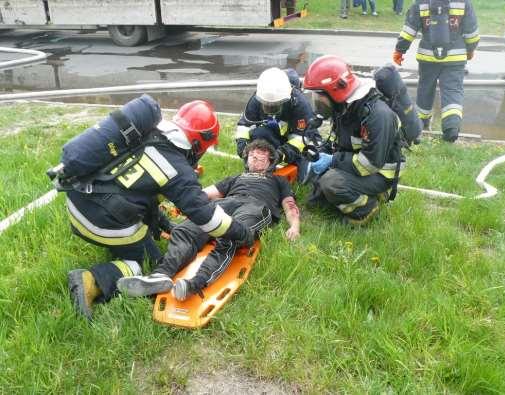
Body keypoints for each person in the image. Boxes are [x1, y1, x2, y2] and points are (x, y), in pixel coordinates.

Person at [66, 99, 253, 320]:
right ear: (197, 144)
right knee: (150, 265)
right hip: (99, 221)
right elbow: (207, 216)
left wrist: (164, 225)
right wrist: (242, 233)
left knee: (141, 235)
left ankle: (122, 246)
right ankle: (91, 281)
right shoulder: (176, 167)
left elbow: (142, 192)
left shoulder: (146, 135)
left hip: (79, 201)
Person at [117, 139, 301, 301]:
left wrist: (295, 226)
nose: (254, 159)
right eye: (252, 155)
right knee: (184, 231)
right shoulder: (236, 177)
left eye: (260, 157)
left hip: (255, 206)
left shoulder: (278, 181)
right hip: (227, 202)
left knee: (229, 237)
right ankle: (160, 275)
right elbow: (204, 194)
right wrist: (178, 203)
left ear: (270, 162)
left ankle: (194, 284)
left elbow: (289, 205)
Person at [302, 55, 405, 225]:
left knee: (331, 183)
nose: (317, 103)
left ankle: (367, 209)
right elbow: (341, 142)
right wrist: (321, 154)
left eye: (319, 97)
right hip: (359, 164)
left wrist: (333, 161)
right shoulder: (344, 106)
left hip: (380, 172)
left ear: (335, 91)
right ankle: (358, 193)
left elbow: (369, 164)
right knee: (316, 199)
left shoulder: (378, 115)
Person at [393, 0, 480, 142]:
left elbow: (409, 30)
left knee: (425, 89)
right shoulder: (464, 2)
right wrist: (470, 50)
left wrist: (399, 50)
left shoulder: (420, 3)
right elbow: (472, 33)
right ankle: (451, 128)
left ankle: (420, 124)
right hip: (455, 58)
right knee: (452, 91)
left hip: (427, 57)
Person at [235, 67, 318, 171]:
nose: (271, 109)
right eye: (267, 105)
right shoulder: (256, 100)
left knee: (307, 162)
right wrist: (242, 144)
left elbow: (302, 138)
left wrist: (281, 154)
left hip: (297, 138)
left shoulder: (300, 104)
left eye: (275, 105)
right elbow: (245, 125)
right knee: (260, 133)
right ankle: (260, 167)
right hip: (277, 135)